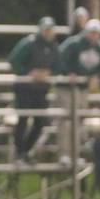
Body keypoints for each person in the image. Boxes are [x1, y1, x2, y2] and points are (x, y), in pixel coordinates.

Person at [6, 16, 62, 164]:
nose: (48, 32)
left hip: (41, 90)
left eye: (50, 30)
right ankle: (19, 154)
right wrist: (29, 73)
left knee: (40, 123)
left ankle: (26, 151)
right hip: (25, 88)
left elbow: (58, 67)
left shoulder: (54, 47)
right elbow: (13, 61)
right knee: (22, 120)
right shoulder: (29, 43)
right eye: (45, 29)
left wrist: (48, 73)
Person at [58, 18, 100, 165]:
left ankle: (75, 154)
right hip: (67, 87)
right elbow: (59, 60)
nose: (94, 36)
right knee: (67, 120)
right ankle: (64, 154)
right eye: (91, 32)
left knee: (79, 121)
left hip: (83, 88)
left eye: (96, 33)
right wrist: (68, 72)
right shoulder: (73, 44)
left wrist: (97, 76)